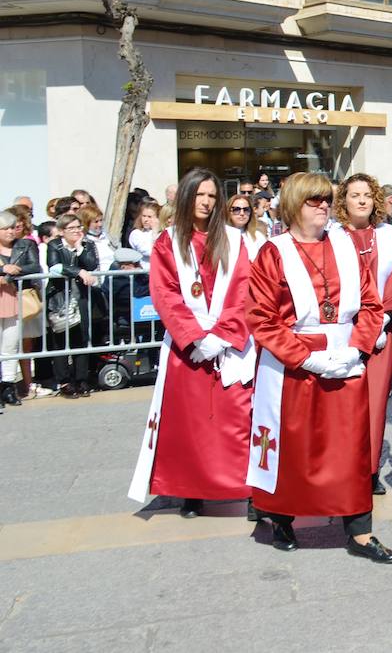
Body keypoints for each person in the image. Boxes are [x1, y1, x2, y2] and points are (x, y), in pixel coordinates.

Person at [245, 173, 392, 562]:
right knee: (294, 445)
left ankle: (360, 532)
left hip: (344, 358)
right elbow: (261, 318)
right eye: (315, 200)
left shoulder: (345, 245)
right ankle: (280, 518)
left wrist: (357, 350)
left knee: (351, 448)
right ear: (295, 205)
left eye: (327, 200)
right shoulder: (273, 252)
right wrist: (305, 357)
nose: (325, 206)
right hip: (295, 361)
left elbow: (371, 304)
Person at [128, 169, 254, 518]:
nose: (206, 202)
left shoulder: (234, 239)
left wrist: (222, 335)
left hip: (227, 343)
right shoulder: (168, 241)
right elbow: (164, 292)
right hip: (187, 347)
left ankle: (240, 484)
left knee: (235, 417)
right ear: (186, 196)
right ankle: (191, 491)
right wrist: (194, 338)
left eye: (212, 196)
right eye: (200, 195)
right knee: (189, 423)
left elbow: (244, 291)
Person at [337, 174, 392, 496]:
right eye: (355, 195)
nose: (362, 200)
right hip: (344, 332)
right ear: (344, 200)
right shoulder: (332, 236)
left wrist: (381, 319)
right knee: (343, 401)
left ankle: (369, 471)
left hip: (383, 333)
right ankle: (342, 469)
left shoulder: (388, 235)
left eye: (367, 195)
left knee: (375, 402)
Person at [46, 213, 100, 396]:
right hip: (60, 298)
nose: (77, 231)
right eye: (71, 228)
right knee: (61, 339)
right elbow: (54, 267)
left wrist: (80, 248)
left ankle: (81, 379)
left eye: (79, 227)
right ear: (61, 231)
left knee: (82, 339)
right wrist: (78, 272)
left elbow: (92, 264)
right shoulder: (55, 245)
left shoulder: (88, 245)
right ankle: (64, 381)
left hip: (81, 297)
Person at [0, 211, 41, 408]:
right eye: (5, 228)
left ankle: (7, 386)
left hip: (12, 298)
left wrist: (17, 270)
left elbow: (35, 267)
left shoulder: (24, 245)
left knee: (11, 344)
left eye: (11, 227)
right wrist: (3, 269)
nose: (10, 231)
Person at [227, 193, 268, 260]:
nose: (242, 213)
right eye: (236, 209)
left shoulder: (258, 237)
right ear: (228, 211)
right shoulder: (220, 236)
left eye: (246, 209)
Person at [128, 200, 162, 267]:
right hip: (145, 272)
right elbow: (149, 252)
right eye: (144, 216)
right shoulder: (136, 234)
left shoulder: (163, 233)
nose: (145, 220)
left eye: (149, 217)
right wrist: (155, 232)